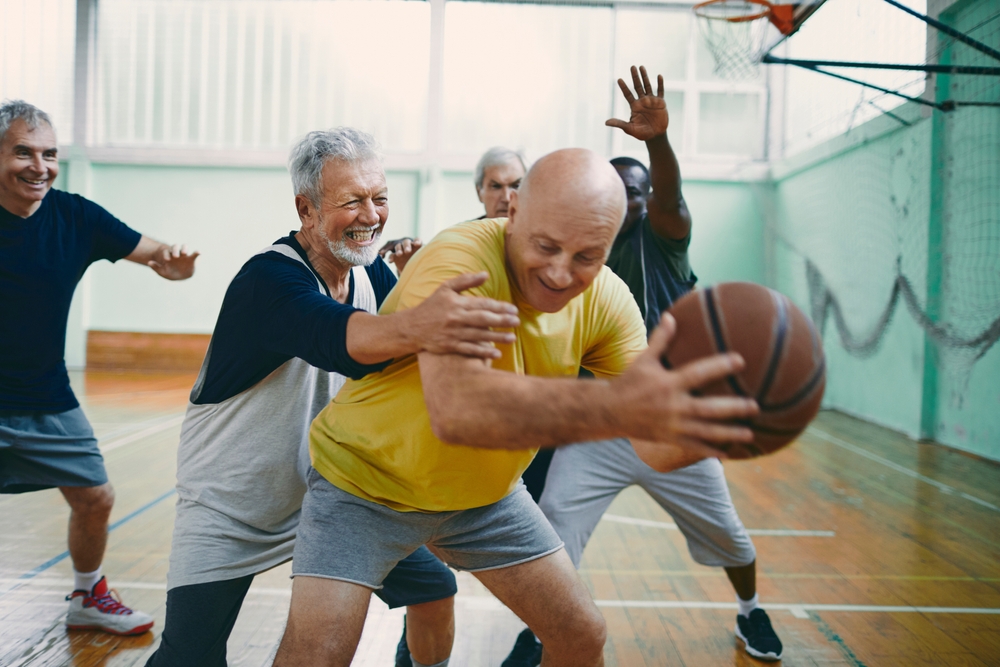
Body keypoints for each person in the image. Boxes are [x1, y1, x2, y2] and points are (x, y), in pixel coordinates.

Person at [272, 144, 761, 667]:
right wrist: (619, 404)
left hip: (486, 498)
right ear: (515, 213)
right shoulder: (460, 259)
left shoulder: (610, 303)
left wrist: (703, 421)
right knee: (317, 655)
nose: (559, 273)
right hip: (364, 484)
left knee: (580, 636)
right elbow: (459, 412)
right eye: (546, 246)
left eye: (587, 256)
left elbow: (656, 451)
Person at [144, 127, 521, 667]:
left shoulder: (371, 279)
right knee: (188, 656)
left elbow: (403, 364)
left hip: (331, 497)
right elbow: (342, 339)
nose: (371, 215)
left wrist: (417, 290)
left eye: (380, 198)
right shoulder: (267, 281)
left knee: (433, 590)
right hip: (231, 503)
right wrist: (420, 320)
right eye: (352, 201)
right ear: (307, 209)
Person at [503, 66, 783, 666]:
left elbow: (672, 200)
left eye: (640, 191)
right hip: (598, 427)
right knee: (554, 529)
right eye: (620, 190)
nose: (633, 200)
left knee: (729, 535)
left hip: (670, 427)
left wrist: (655, 144)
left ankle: (751, 608)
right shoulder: (573, 258)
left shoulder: (662, 242)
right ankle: (540, 630)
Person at [0, 99, 198, 635]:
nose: (38, 166)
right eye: (22, 152)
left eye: (49, 153)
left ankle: (88, 596)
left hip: (47, 395)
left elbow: (157, 254)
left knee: (96, 496)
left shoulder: (75, 216)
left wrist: (175, 267)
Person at [475, 147, 526, 219]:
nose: (507, 198)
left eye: (516, 186)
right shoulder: (463, 230)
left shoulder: (541, 229)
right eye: (496, 186)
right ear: (479, 192)